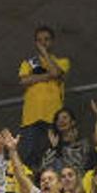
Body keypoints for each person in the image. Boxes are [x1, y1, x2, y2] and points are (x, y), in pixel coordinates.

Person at [19, 25, 71, 165]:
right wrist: (48, 76)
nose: (43, 43)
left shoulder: (62, 61)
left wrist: (45, 54)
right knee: (29, 157)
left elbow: (57, 72)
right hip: (31, 118)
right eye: (39, 40)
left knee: (51, 155)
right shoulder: (28, 63)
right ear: (35, 43)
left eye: (46, 39)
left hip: (52, 118)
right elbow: (24, 81)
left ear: (52, 42)